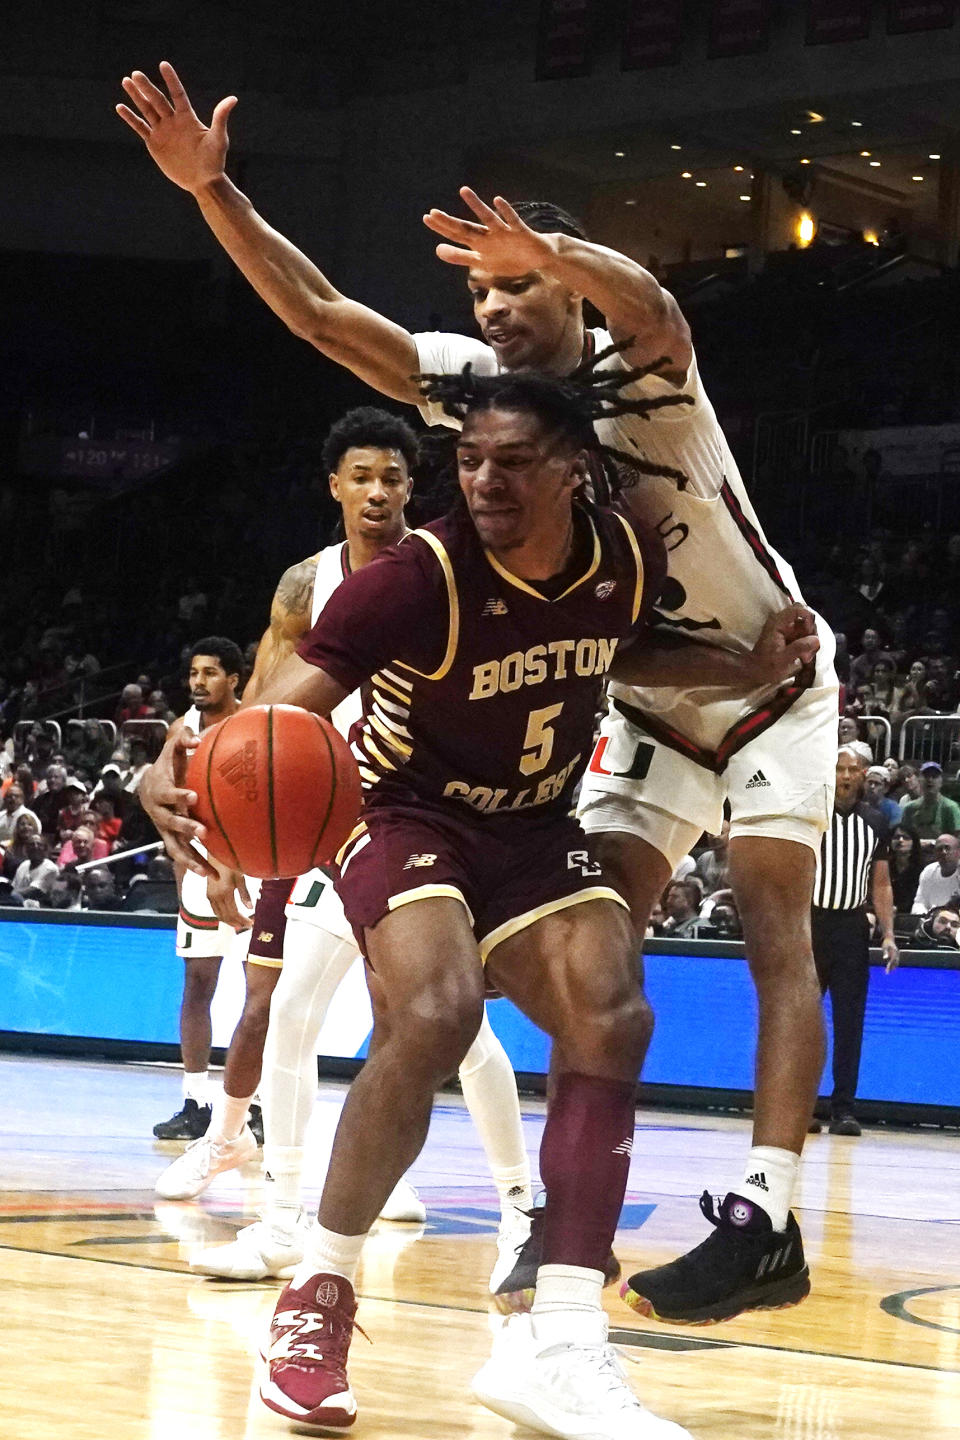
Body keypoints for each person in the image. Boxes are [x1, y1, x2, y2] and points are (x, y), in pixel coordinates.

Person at [117, 63, 837, 1327]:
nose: (495, 306)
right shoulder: (484, 402)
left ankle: (767, 1214)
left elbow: (660, 301)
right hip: (648, 686)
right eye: (482, 289)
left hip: (770, 674)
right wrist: (215, 193)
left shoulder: (649, 371)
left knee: (779, 929)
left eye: (517, 285)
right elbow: (329, 318)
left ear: (569, 289)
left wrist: (554, 239)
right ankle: (551, 1234)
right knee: (579, 973)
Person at [141, 363, 814, 1439]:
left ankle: (562, 1342)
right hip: (404, 818)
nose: (486, 482)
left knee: (614, 1008)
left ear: (575, 472)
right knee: (440, 1010)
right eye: (469, 462)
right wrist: (176, 768)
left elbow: (620, 645)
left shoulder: (621, 553)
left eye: (514, 462)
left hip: (537, 829)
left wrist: (739, 666)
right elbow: (276, 718)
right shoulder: (415, 577)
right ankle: (315, 1298)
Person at [156, 411, 442, 1232]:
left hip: (400, 807)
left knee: (405, 1013)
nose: (378, 491)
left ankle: (382, 1171)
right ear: (336, 487)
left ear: (411, 486)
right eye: (362, 476)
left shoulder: (439, 573)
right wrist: (198, 780)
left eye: (392, 476)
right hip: (308, 809)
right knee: (264, 1001)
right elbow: (255, 711)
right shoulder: (303, 583)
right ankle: (227, 1136)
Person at [152, 637, 246, 1142]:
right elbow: (168, 812)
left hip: (253, 870)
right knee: (197, 988)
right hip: (201, 872)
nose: (198, 682)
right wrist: (181, 872)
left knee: (262, 992)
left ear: (234, 679)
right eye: (194, 673)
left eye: (210, 673)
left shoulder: (257, 722)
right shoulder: (180, 731)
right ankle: (196, 1101)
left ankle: (254, 1104)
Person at [808, 747, 897, 1138]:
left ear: (863, 774)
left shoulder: (876, 822)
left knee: (849, 1023)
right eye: (839, 768)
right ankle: (802, 1106)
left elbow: (881, 882)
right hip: (809, 923)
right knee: (803, 1022)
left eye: (851, 769)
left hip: (850, 927)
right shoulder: (812, 817)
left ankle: (843, 1109)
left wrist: (890, 933)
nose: (845, 776)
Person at [900, 762, 960, 843]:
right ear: (919, 780)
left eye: (934, 776)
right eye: (926, 776)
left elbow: (956, 840)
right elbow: (904, 837)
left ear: (941, 782)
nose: (930, 779)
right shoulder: (909, 808)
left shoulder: (951, 807)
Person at [911, 834, 960, 914]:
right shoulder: (929, 871)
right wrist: (926, 917)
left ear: (958, 852)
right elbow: (919, 903)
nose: (944, 852)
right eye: (939, 849)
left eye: (947, 848)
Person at [887, 824, 923, 915]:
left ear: (914, 842)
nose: (900, 840)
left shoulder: (922, 868)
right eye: (896, 837)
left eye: (906, 838)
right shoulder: (885, 866)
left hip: (913, 913)